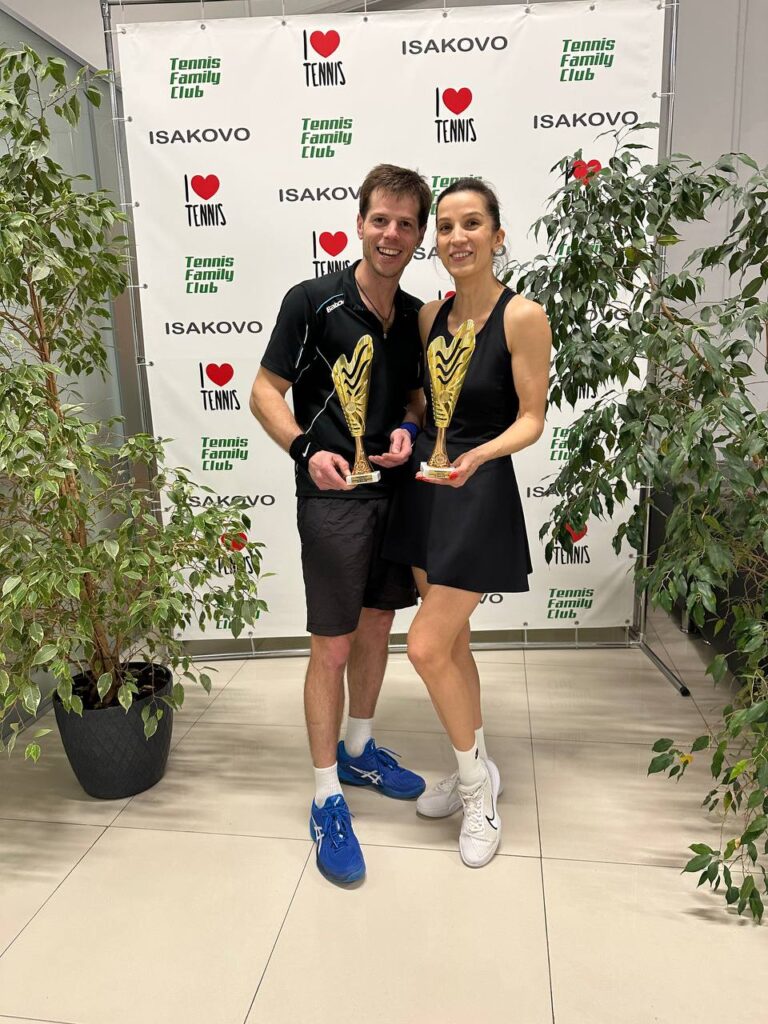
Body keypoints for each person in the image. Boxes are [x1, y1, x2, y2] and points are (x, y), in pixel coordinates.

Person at [249, 164, 433, 885]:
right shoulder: (312, 301)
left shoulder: (414, 315)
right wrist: (304, 448)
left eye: (406, 224)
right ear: (360, 223)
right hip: (331, 500)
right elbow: (264, 391)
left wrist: (410, 432)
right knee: (331, 645)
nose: (392, 234)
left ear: (418, 235)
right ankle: (326, 795)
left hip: (395, 494)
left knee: (379, 625)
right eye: (380, 219)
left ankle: (359, 750)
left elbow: (416, 398)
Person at [384, 178, 552, 868]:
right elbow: (425, 405)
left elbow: (533, 418)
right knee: (452, 647)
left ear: (497, 236)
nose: (457, 237)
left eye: (472, 223)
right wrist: (405, 432)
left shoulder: (523, 317)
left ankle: (478, 793)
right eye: (447, 226)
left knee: (424, 647)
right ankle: (475, 762)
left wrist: (480, 455)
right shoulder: (429, 317)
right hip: (426, 491)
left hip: (478, 493)